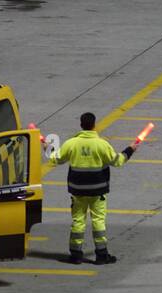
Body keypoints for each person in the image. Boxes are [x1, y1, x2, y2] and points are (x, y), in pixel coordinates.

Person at [45, 112, 134, 264]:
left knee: (78, 221)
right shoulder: (101, 144)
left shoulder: (71, 143)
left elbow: (56, 159)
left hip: (77, 191)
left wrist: (48, 148)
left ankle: (75, 255)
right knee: (98, 221)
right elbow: (117, 161)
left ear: (81, 125)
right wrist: (130, 150)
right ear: (94, 125)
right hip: (97, 191)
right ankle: (101, 255)